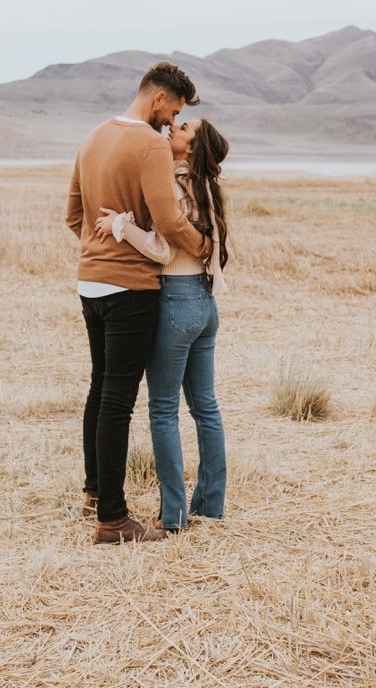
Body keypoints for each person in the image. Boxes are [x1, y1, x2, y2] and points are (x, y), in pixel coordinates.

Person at [66, 63, 211, 544]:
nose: (172, 122)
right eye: (173, 111)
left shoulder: (93, 136)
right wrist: (207, 248)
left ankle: (94, 491)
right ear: (158, 99)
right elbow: (169, 224)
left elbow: (73, 216)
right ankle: (112, 518)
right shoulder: (149, 144)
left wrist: (99, 248)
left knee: (99, 391)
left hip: (90, 284)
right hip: (130, 288)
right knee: (118, 402)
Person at [95, 118, 230, 533]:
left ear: (192, 146)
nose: (174, 128)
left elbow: (160, 249)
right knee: (206, 408)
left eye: (185, 127)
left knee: (163, 410)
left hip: (175, 299)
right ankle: (209, 504)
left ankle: (172, 516)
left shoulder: (173, 185)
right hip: (205, 305)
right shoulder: (210, 188)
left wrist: (122, 225)